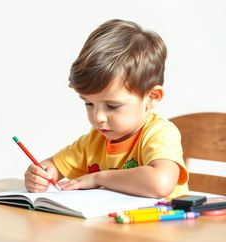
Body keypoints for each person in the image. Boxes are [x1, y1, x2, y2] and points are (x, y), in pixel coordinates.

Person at [25, 19, 188, 198]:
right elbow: (52, 167)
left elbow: (160, 184)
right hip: (112, 225)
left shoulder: (159, 134)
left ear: (151, 97)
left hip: (162, 224)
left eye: (112, 106)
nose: (98, 117)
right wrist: (40, 176)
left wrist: (98, 178)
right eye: (89, 103)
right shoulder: (94, 141)